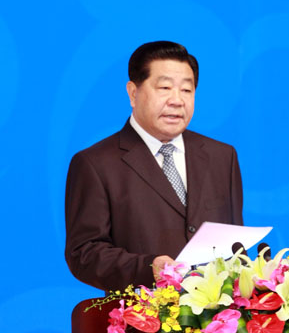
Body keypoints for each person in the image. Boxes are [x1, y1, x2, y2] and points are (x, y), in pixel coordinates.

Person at [65, 41, 243, 291]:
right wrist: (148, 268)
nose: (177, 100)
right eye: (165, 88)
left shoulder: (222, 157)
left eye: (186, 90)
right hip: (141, 311)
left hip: (218, 312)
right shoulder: (95, 164)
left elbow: (236, 245)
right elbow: (84, 254)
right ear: (133, 93)